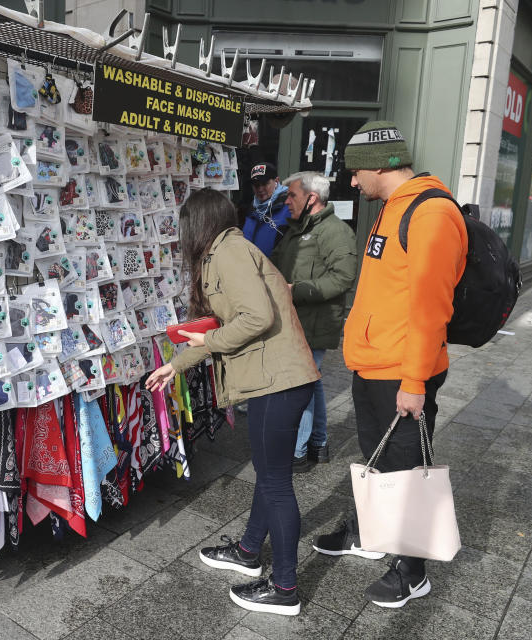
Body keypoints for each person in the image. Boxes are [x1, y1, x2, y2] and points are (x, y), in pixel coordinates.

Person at [310, 121, 468, 608]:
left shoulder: (431, 214)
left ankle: (413, 571)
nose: (352, 183)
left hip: (403, 372)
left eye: (356, 173)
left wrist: (415, 380)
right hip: (373, 365)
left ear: (379, 165)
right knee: (376, 459)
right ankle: (367, 532)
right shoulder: (388, 209)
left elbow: (430, 307)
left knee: (406, 467)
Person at [146, 189, 320, 616]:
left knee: (275, 482)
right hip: (276, 378)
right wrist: (180, 362)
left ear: (198, 224)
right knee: (269, 473)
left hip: (275, 380)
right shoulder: (224, 251)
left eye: (184, 223)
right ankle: (247, 551)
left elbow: (256, 317)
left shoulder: (228, 251)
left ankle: (284, 589)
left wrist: (209, 339)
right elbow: (225, 323)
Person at [271, 172, 357, 473]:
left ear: (312, 198)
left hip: (314, 324)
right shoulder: (294, 229)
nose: (286, 200)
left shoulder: (335, 232)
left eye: (292, 195)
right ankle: (318, 442)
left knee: (301, 384)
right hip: (295, 322)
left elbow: (344, 277)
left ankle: (298, 451)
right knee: (312, 381)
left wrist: (298, 291)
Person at [242, 162, 290, 257]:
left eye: (264, 183)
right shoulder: (253, 207)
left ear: (276, 181)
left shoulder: (289, 206)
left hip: (275, 269)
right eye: (256, 185)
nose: (260, 189)